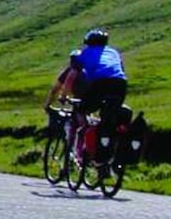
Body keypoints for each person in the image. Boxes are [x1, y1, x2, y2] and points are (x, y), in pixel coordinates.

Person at [46, 29, 128, 157]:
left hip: (100, 83)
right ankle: (108, 150)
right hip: (120, 84)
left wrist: (63, 96)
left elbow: (71, 76)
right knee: (108, 117)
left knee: (82, 109)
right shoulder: (114, 52)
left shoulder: (85, 53)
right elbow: (120, 70)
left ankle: (85, 146)